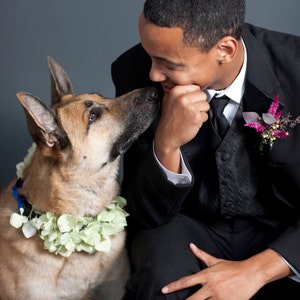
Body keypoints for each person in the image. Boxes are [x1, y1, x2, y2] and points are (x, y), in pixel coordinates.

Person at [111, 0, 300, 299]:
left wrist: (258, 270)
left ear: (225, 50)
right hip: (188, 224)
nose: (153, 75)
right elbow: (140, 212)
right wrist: (166, 144)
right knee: (161, 282)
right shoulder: (131, 72)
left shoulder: (295, 68)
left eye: (169, 65)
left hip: (285, 226)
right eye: (150, 57)